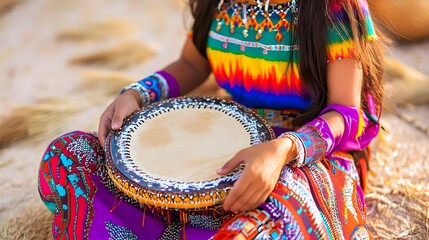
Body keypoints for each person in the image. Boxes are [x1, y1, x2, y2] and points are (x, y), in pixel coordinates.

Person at [38, 0, 385, 239]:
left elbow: (346, 114)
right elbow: (192, 64)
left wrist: (282, 151)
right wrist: (137, 93)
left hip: (306, 153)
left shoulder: (335, 8)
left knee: (274, 226)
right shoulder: (219, 3)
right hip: (224, 146)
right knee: (68, 158)